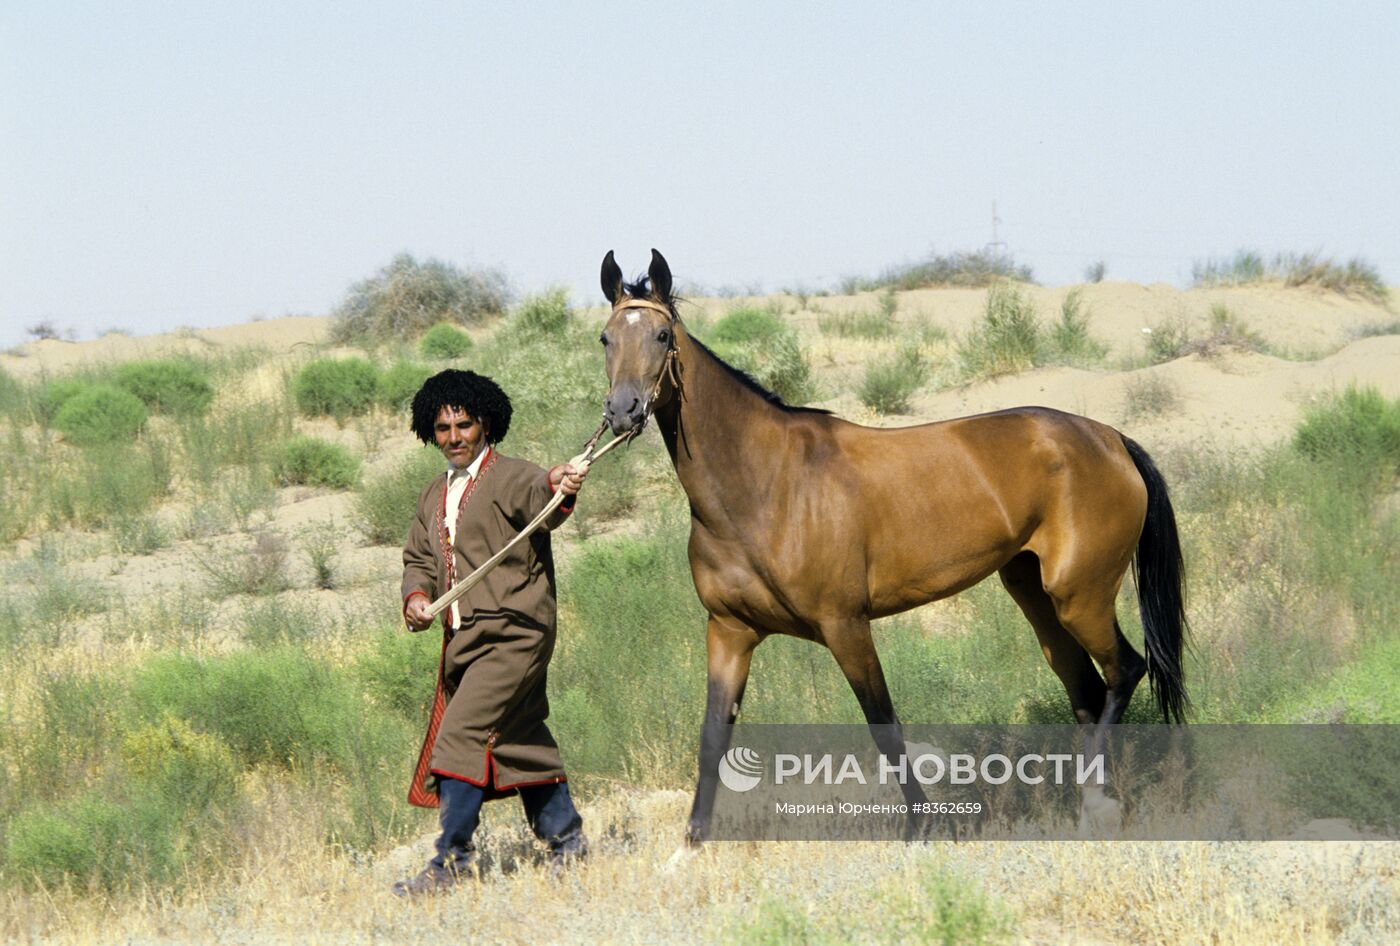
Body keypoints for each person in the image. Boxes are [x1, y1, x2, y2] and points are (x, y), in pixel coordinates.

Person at [393, 368, 589, 897]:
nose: (454, 437)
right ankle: (567, 842)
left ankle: (449, 865)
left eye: (464, 424)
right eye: (442, 428)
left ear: (486, 424)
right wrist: (415, 598)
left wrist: (560, 482)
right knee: (519, 737)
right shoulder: (433, 494)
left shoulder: (511, 475)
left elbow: (544, 495)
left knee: (458, 736)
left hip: (516, 634)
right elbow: (418, 559)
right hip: (465, 643)